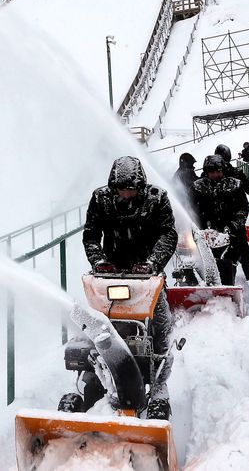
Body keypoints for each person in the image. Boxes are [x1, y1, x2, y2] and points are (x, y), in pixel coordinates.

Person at [83, 156, 176, 419]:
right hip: (110, 273)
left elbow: (168, 233)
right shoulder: (101, 199)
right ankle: (96, 373)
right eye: (122, 189)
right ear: (113, 187)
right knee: (101, 325)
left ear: (141, 186)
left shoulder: (157, 199)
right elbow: (90, 234)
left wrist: (152, 263)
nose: (126, 194)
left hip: (147, 275)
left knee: (158, 323)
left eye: (131, 189)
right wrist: (99, 261)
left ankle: (158, 378)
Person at [191, 155, 249, 284]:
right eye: (211, 172)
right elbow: (190, 209)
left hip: (232, 234)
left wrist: (233, 225)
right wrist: (199, 228)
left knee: (230, 263)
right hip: (205, 235)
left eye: (218, 171)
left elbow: (243, 208)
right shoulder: (197, 187)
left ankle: (232, 287)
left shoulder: (234, 185)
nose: (215, 174)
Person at [171, 152, 198, 222]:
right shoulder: (186, 173)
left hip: (187, 203)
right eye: (192, 163)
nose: (193, 166)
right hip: (188, 204)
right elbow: (194, 184)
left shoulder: (180, 173)